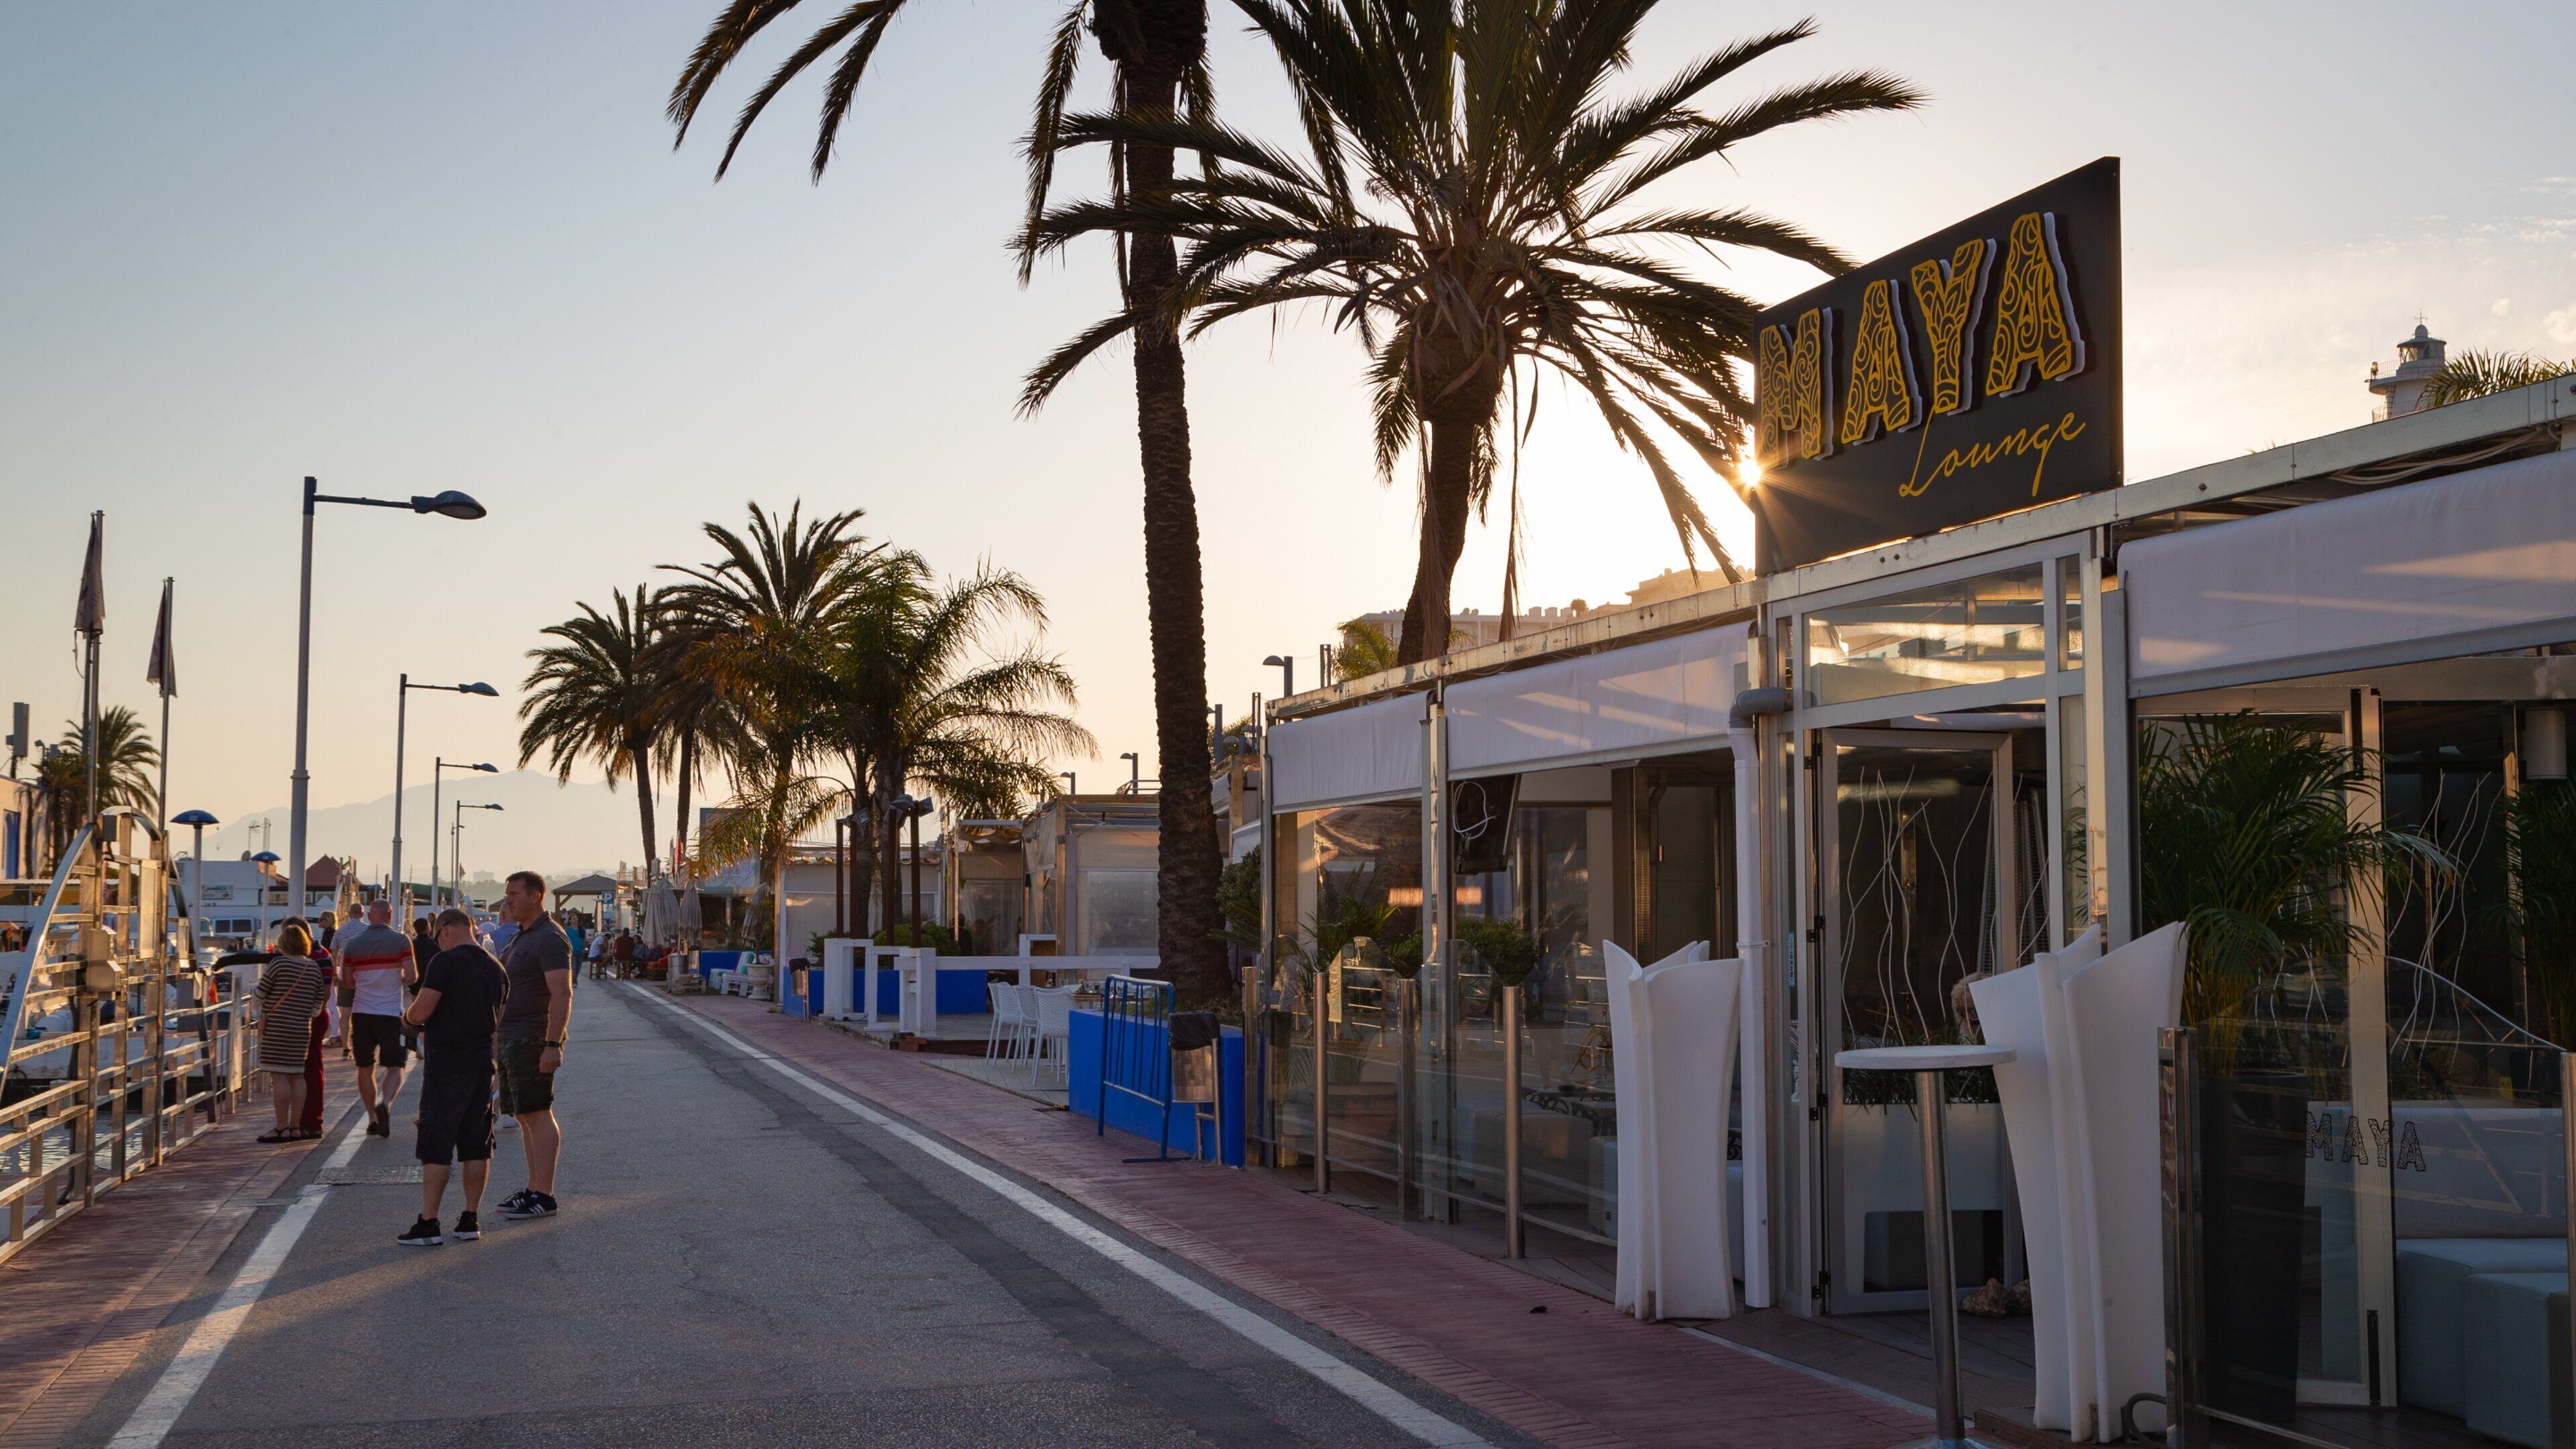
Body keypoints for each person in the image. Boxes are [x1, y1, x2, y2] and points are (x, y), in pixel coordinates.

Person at [397, 907, 511, 1247]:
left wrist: (408, 1018)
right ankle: (469, 1219)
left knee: (437, 1143)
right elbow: (499, 1020)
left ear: (445, 929)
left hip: (446, 1065)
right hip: (481, 1065)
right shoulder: (497, 968)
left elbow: (422, 1010)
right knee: (477, 1144)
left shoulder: (444, 963)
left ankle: (429, 1223)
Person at [493, 870, 572, 1219]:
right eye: (507, 894)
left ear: (535, 896)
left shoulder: (550, 938)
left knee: (538, 1113)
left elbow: (562, 993)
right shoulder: (522, 936)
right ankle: (532, 1187)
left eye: (514, 894)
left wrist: (552, 1043)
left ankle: (546, 1195)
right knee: (524, 1115)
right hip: (511, 1037)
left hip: (532, 1037)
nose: (508, 900)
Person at [335, 901, 417, 1138]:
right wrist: (397, 977)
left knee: (364, 1066)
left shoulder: (353, 944)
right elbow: (412, 977)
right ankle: (386, 1104)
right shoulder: (401, 941)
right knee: (395, 1066)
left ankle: (371, 1117)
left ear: (369, 916)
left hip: (362, 1014)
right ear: (390, 915)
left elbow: (348, 982)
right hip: (391, 1014)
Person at [254, 922, 329, 1142]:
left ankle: (280, 1128)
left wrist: (262, 1010)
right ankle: (296, 1127)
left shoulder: (278, 965)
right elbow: (318, 1005)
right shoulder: (313, 967)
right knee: (298, 1076)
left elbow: (260, 994)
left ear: (284, 943)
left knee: (279, 1077)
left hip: (278, 1028)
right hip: (302, 1029)